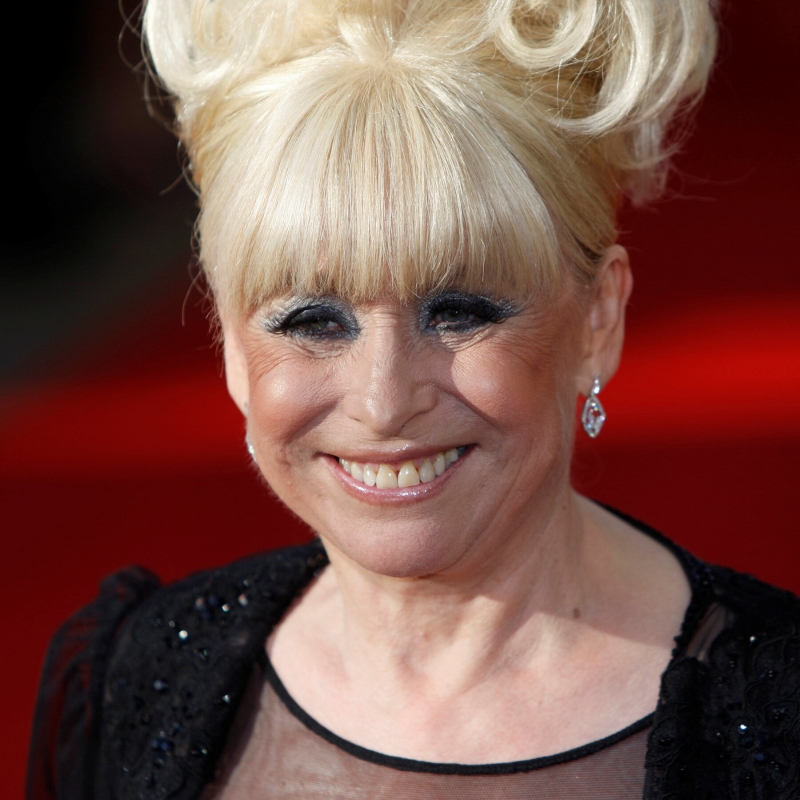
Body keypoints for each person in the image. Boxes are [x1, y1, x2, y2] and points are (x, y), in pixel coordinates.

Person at [26, 0, 800, 798]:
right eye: (312, 321)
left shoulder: (780, 717)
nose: (384, 400)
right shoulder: (137, 678)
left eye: (458, 312)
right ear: (229, 345)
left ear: (598, 319)